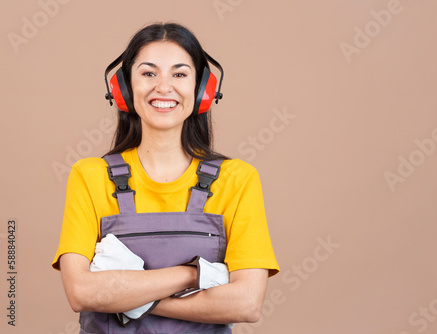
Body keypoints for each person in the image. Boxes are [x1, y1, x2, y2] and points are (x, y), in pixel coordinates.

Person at [52, 22, 279, 333]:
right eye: (148, 73)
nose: (163, 87)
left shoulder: (237, 179)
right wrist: (190, 275)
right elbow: (81, 292)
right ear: (124, 89)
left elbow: (246, 304)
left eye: (180, 74)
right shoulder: (90, 176)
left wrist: (126, 297)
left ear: (202, 90)